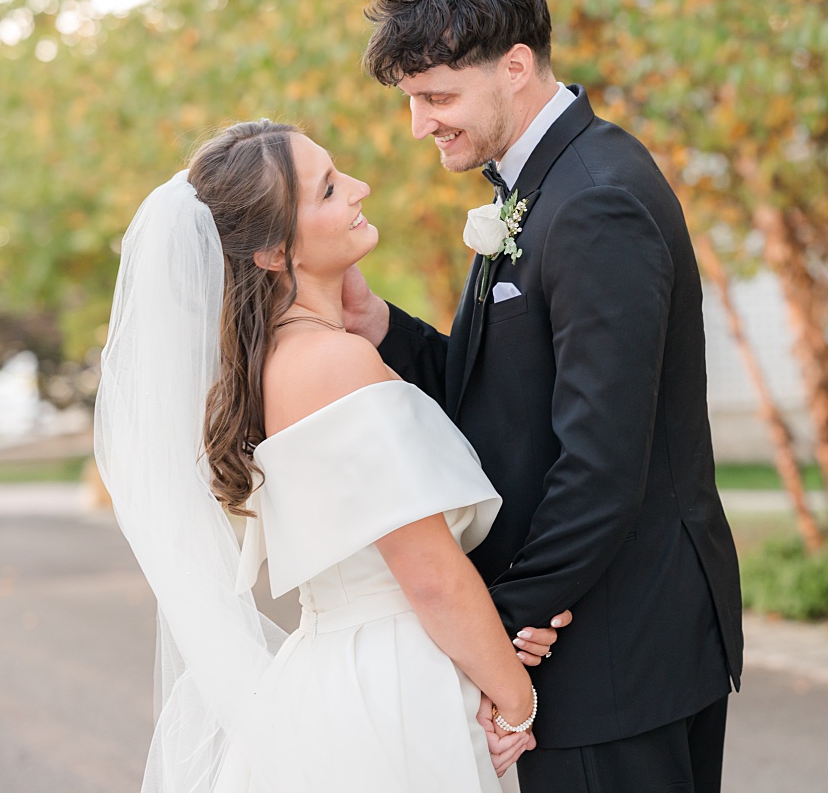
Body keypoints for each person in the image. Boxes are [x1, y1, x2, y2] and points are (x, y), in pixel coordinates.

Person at [343, 0, 744, 792]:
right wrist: (381, 327)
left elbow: (602, 462)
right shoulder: (538, 185)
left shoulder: (595, 198)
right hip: (589, 637)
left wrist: (505, 619)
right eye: (414, 101)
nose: (420, 125)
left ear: (515, 68)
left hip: (618, 649)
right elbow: (505, 397)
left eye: (438, 97)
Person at [94, 121, 569, 791]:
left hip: (338, 667)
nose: (358, 189)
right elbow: (429, 574)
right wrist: (517, 701)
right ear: (271, 251)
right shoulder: (333, 364)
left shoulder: (272, 366)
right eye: (327, 190)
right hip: (399, 682)